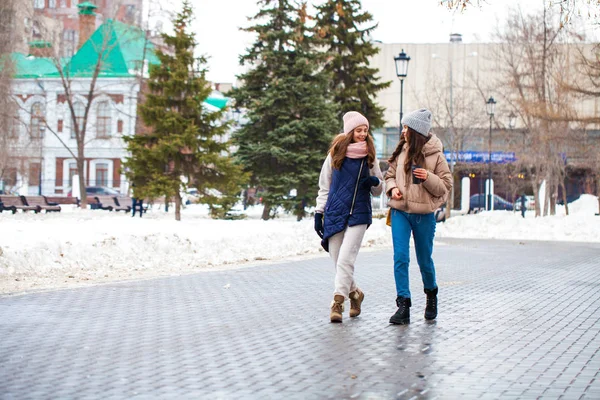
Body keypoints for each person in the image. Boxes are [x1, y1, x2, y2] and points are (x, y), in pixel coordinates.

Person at [314, 111, 384, 323]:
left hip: (359, 214)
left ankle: (337, 303)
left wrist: (374, 182)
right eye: (359, 130)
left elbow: (379, 188)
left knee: (346, 259)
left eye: (365, 130)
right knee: (338, 261)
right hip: (335, 212)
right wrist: (319, 213)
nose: (363, 134)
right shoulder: (335, 153)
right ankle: (355, 294)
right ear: (350, 131)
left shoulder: (369, 156)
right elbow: (324, 186)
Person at [385, 108, 452, 325]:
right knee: (400, 257)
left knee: (424, 260)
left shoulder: (436, 156)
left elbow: (445, 187)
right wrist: (392, 188)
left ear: (416, 131)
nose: (403, 132)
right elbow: (388, 175)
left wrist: (428, 177)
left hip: (424, 215)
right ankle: (403, 305)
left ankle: (431, 295)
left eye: (406, 127)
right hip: (400, 212)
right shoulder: (401, 151)